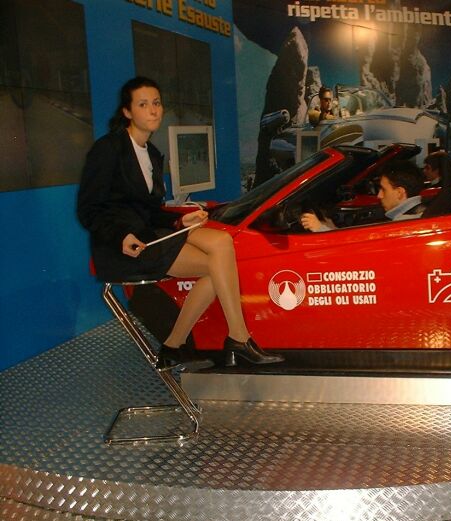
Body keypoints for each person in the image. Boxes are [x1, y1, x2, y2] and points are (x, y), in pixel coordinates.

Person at [77, 77, 283, 367]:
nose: (153, 111)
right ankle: (235, 339)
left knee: (222, 248)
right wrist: (120, 235)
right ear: (127, 112)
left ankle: (182, 344)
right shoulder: (108, 149)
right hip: (123, 247)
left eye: (157, 103)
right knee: (218, 264)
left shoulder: (151, 153)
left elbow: (148, 209)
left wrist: (180, 220)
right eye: (143, 104)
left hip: (150, 234)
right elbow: (88, 208)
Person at [300, 160, 425, 232]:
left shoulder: (405, 224)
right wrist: (332, 230)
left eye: (383, 189)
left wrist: (321, 230)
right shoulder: (416, 215)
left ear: (399, 192)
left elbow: (360, 250)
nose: (379, 195)